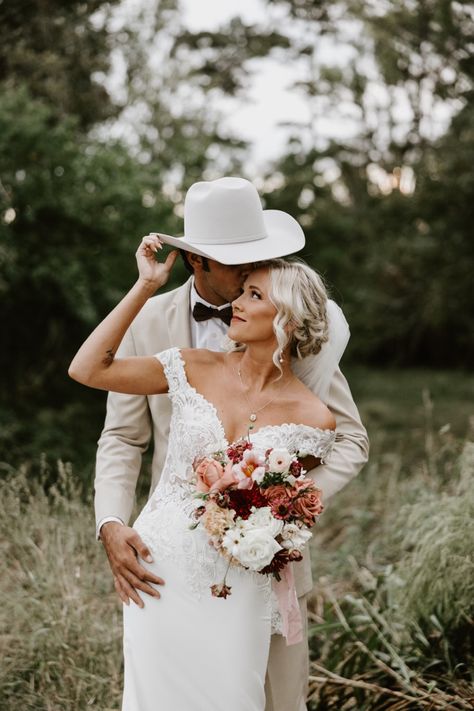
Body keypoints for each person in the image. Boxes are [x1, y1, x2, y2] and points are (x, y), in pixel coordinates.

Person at [93, 177, 369, 710]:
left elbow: (349, 438)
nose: (253, 276)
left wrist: (278, 509)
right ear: (198, 262)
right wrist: (110, 522)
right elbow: (124, 436)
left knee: (276, 700)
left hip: (268, 560)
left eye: (257, 263)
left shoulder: (291, 323)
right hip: (171, 558)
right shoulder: (148, 321)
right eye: (239, 267)